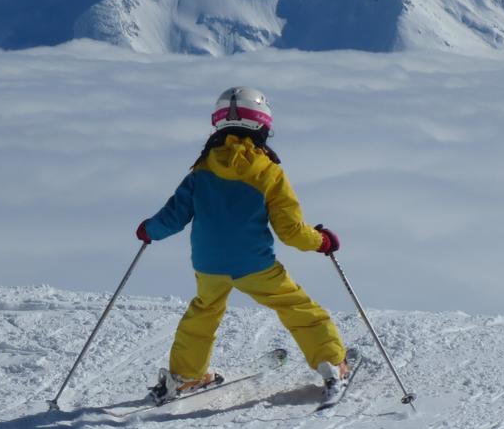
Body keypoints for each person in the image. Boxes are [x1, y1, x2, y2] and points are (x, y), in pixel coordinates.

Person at [136, 86, 349, 404]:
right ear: (263, 123)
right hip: (255, 264)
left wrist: (148, 230)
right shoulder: (269, 172)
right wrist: (321, 241)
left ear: (219, 124)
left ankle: (185, 376)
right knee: (297, 307)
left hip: (209, 264)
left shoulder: (203, 169)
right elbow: (290, 231)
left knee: (203, 313)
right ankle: (331, 364)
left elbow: (172, 217)